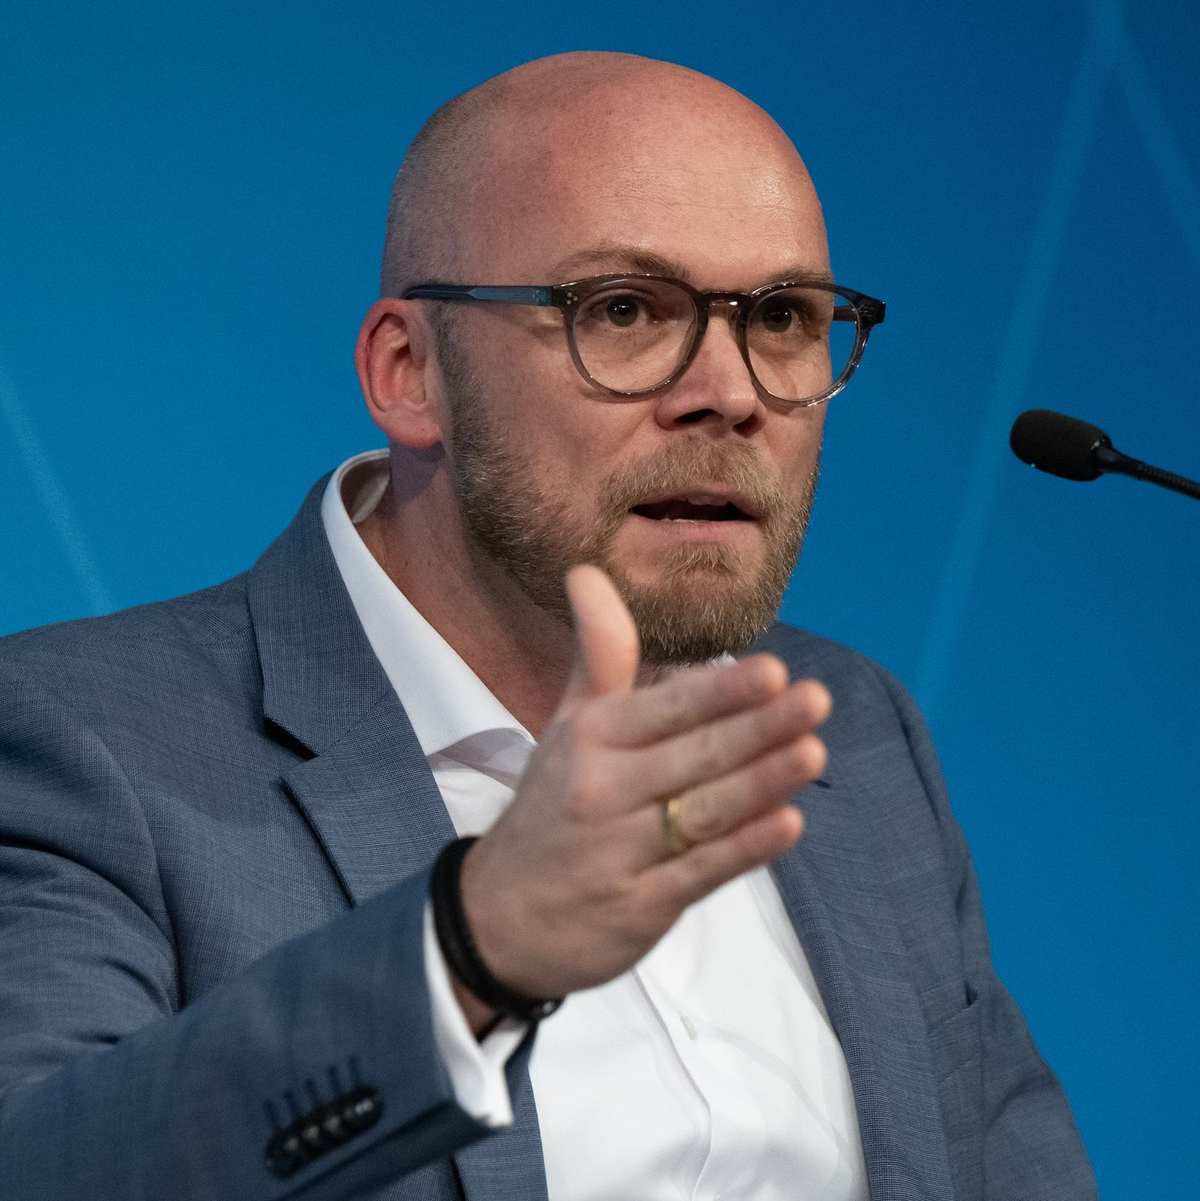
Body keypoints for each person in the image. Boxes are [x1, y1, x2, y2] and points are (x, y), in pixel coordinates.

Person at [0, 51, 1096, 1201]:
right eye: (622, 309)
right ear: (409, 372)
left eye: (782, 318)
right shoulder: (82, 745)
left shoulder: (852, 732)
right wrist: (472, 953)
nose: (729, 391)